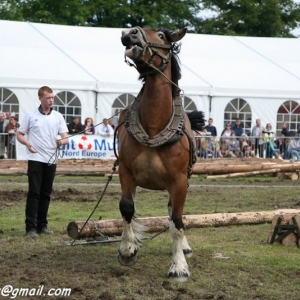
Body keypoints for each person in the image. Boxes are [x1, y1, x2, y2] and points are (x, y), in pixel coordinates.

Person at [17, 86, 69, 239]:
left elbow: (65, 137)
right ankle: (30, 228)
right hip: (35, 159)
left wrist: (61, 141)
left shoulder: (58, 116)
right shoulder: (30, 115)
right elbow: (20, 134)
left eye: (52, 97)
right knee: (34, 193)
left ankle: (42, 225)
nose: (51, 100)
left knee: (46, 193)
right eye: (48, 97)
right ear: (40, 98)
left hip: (51, 159)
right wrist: (27, 143)